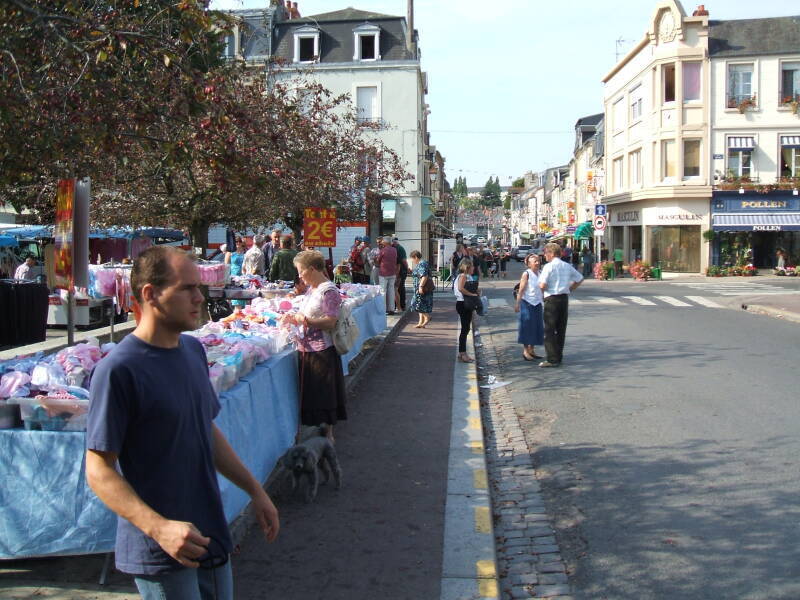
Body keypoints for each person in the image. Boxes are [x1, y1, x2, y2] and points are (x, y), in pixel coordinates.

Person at [85, 246, 279, 599]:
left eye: (199, 287)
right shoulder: (118, 370)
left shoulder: (193, 351)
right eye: (187, 288)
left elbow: (205, 429)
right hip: (162, 550)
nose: (199, 297)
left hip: (209, 529)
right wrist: (159, 528)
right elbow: (98, 469)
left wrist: (255, 489)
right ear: (150, 295)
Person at [282, 250, 347, 441]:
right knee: (314, 394)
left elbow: (330, 322)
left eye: (301, 271)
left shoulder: (329, 291)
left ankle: (328, 435)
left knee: (323, 394)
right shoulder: (313, 289)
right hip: (308, 348)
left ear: (311, 269)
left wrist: (306, 320)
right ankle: (318, 433)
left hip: (322, 351)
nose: (299, 275)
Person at [538, 242, 584, 368]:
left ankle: (552, 359)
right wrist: (570, 288)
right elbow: (579, 278)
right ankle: (558, 355)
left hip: (551, 298)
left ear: (552, 253)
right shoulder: (566, 265)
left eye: (546, 253)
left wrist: (541, 295)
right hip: (563, 298)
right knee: (561, 329)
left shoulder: (548, 266)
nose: (544, 255)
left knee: (549, 330)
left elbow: (542, 284)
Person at [514, 253, 544, 362]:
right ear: (529, 264)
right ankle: (525, 351)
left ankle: (532, 350)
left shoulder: (540, 273)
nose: (537, 262)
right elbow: (521, 290)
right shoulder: (526, 274)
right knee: (527, 326)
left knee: (537, 327)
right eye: (535, 261)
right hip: (527, 303)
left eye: (538, 260)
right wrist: (517, 303)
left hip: (538, 303)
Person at [454, 258, 479, 363]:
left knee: (466, 328)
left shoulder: (468, 276)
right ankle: (463, 353)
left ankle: (462, 352)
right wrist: (472, 294)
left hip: (466, 303)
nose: (473, 268)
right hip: (463, 303)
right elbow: (460, 288)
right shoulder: (463, 276)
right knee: (465, 329)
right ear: (467, 267)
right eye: (472, 266)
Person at [409, 250, 433, 328]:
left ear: (416, 257)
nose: (412, 261)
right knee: (421, 304)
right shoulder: (422, 263)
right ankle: (420, 322)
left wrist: (420, 287)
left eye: (412, 259)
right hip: (421, 287)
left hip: (422, 287)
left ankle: (427, 317)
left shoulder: (421, 264)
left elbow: (424, 276)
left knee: (415, 303)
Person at [376, 236, 398, 315]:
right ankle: (391, 309)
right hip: (392, 272)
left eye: (382, 241)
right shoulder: (394, 250)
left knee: (383, 291)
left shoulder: (383, 250)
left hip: (384, 273)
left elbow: (378, 260)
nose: (381, 242)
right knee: (391, 291)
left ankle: (383, 309)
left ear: (385, 242)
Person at [224, 237, 247, 308]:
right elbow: (226, 267)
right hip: (233, 278)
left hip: (243, 278)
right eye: (236, 241)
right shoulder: (230, 253)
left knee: (243, 300)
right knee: (236, 301)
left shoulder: (245, 252)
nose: (238, 243)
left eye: (239, 241)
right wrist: (226, 281)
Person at [393, 237, 408, 312]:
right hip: (399, 271)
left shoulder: (399, 248)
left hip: (400, 272)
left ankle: (401, 306)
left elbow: (403, 261)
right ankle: (401, 305)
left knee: (399, 289)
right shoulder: (398, 248)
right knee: (400, 288)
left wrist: (407, 268)